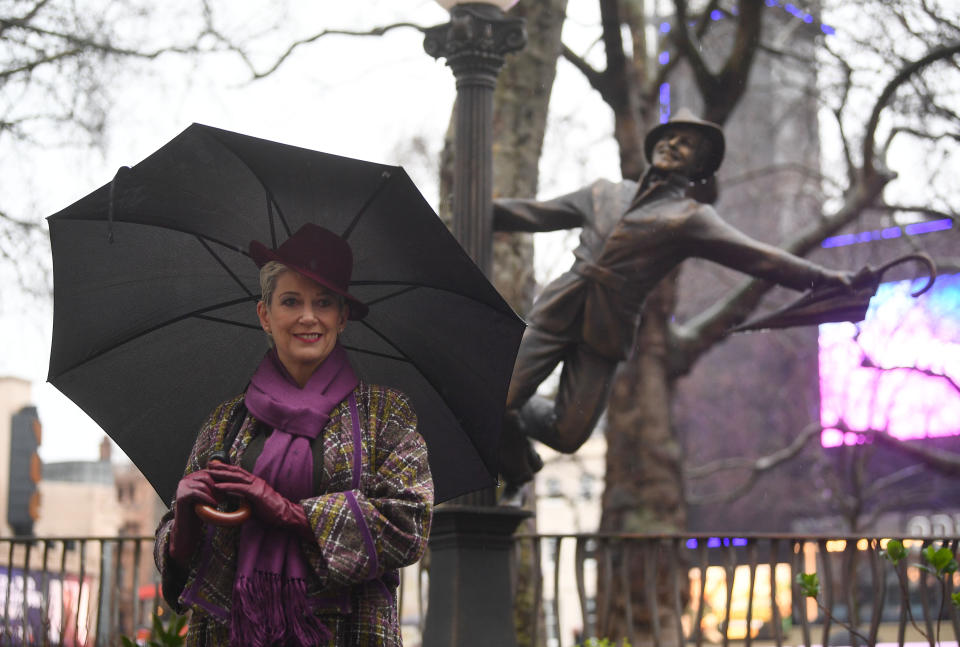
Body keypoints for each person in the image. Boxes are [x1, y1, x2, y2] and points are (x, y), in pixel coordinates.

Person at [493, 108, 862, 495]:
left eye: (685, 143)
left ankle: (518, 434)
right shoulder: (604, 193)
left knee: (566, 435)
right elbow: (533, 213)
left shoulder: (689, 218)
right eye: (669, 137)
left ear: (697, 165)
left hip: (606, 331)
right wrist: (474, 208)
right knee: (496, 400)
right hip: (558, 310)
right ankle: (518, 466)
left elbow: (760, 257)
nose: (672, 144)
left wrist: (826, 279)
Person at [154, 224, 434, 646]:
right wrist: (183, 529)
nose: (308, 316)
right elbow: (173, 545)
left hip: (348, 633)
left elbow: (408, 524)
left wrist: (289, 513)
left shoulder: (384, 414)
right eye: (291, 301)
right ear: (265, 315)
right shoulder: (225, 422)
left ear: (342, 317)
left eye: (323, 302)